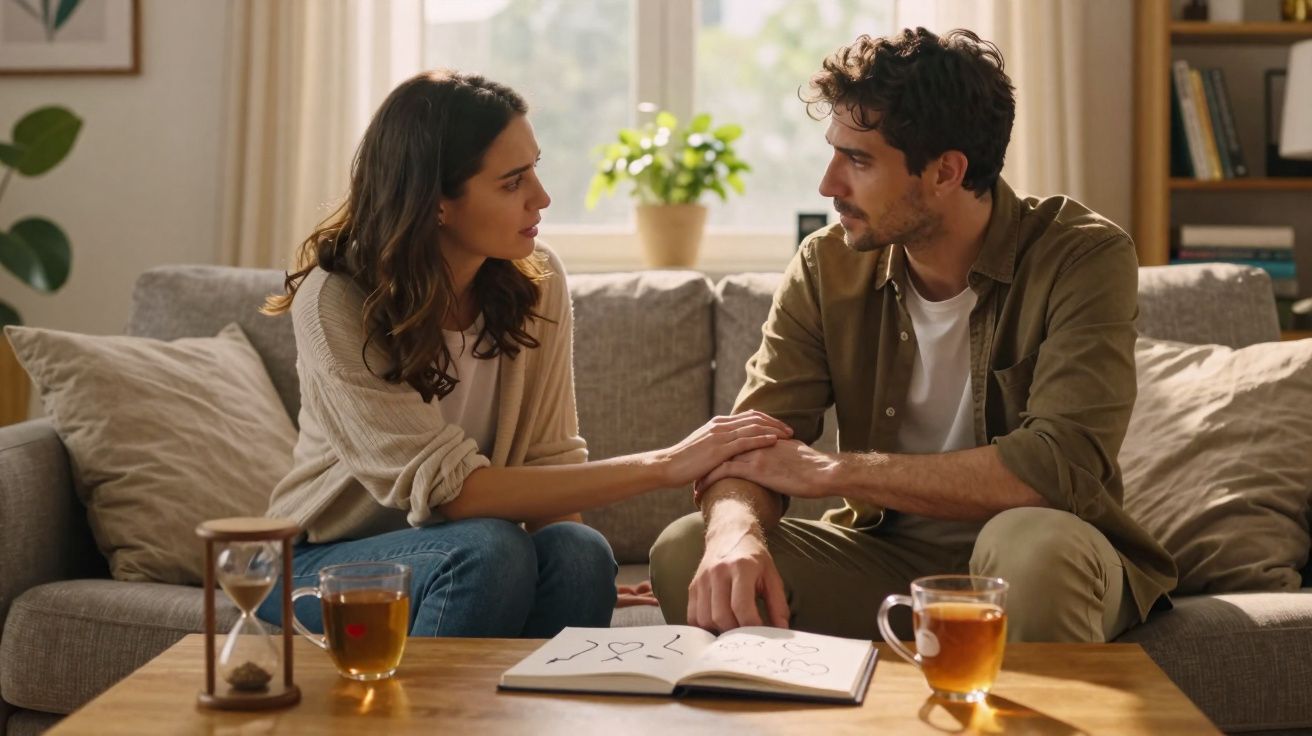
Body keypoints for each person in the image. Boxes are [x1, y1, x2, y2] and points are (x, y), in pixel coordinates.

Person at [649, 28, 1178, 643]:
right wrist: (734, 531)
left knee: (1029, 542)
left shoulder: (1081, 256)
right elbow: (750, 443)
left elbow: (1053, 468)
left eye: (859, 160)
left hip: (1041, 553)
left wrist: (835, 471)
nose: (828, 185)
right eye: (835, 152)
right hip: (889, 560)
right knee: (690, 547)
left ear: (946, 172)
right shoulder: (827, 266)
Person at [256, 70, 790, 638]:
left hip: (464, 552)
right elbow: (452, 494)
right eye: (512, 183)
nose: (542, 197)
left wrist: (587, 572)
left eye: (534, 169)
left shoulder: (537, 281)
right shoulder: (338, 298)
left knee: (580, 551)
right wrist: (663, 465)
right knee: (489, 548)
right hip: (318, 563)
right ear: (436, 203)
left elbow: (548, 461)